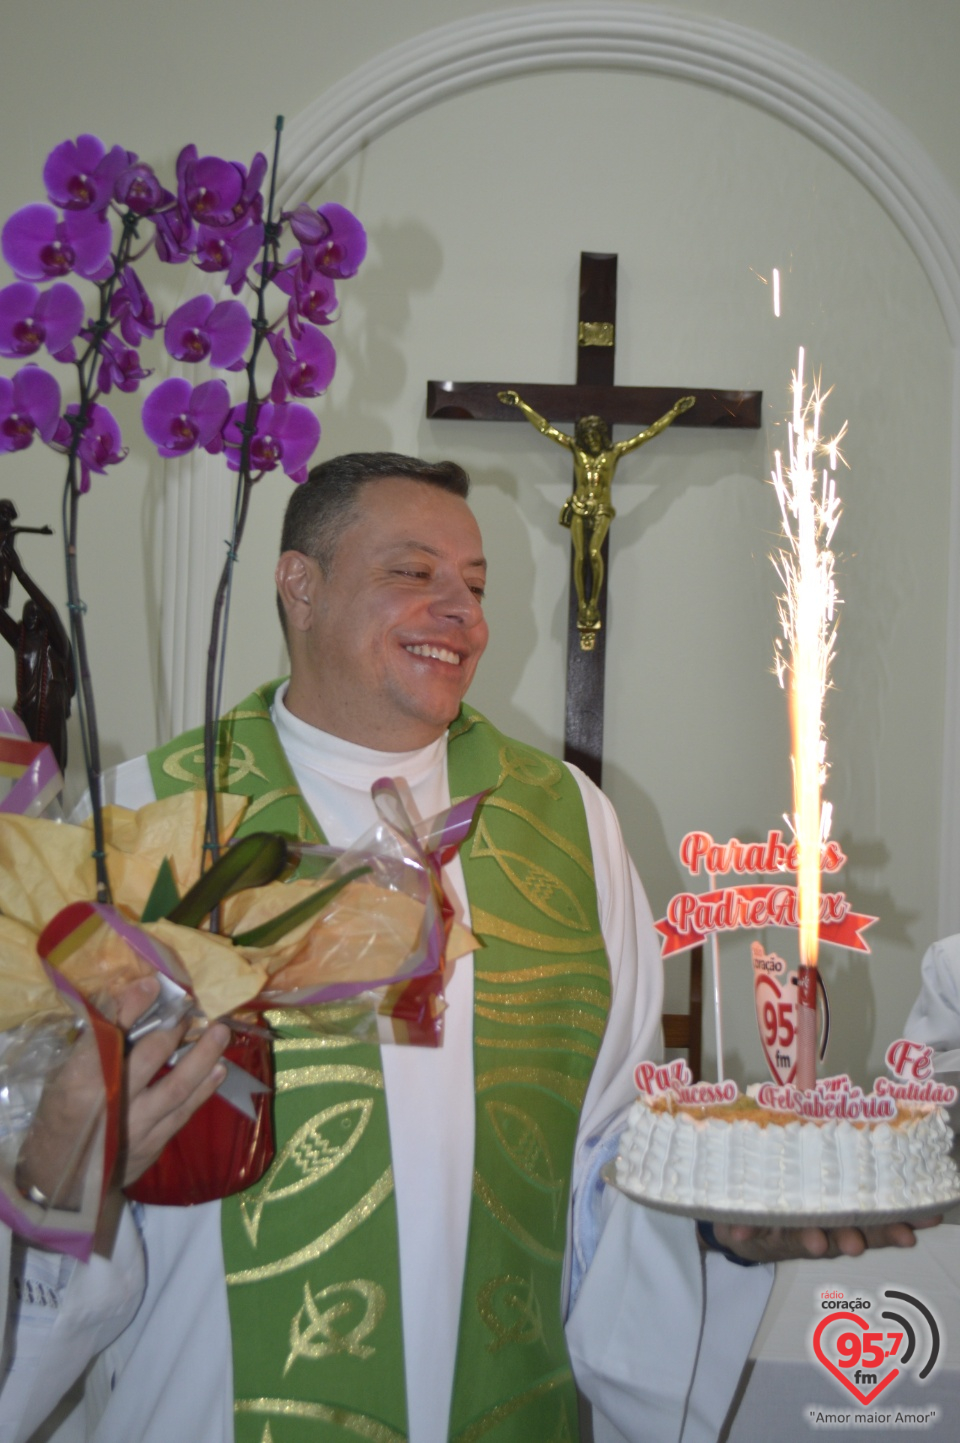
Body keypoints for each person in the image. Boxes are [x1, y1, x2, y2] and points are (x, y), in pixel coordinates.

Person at [3, 453, 929, 1443]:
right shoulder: (145, 815)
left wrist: (721, 1230)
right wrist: (54, 1173)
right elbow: (55, 1155)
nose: (464, 614)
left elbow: (614, 1146)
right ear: (299, 585)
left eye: (477, 586)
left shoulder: (566, 823)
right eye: (413, 573)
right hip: (212, 1405)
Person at [497, 390, 695, 643]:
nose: (590, 440)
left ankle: (593, 603)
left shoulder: (613, 454)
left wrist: (674, 412)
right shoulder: (577, 452)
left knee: (593, 553)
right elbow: (546, 429)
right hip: (580, 506)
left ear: (602, 435)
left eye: (594, 435)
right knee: (580, 556)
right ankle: (583, 604)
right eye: (587, 435)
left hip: (602, 508)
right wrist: (521, 404)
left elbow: (649, 433)